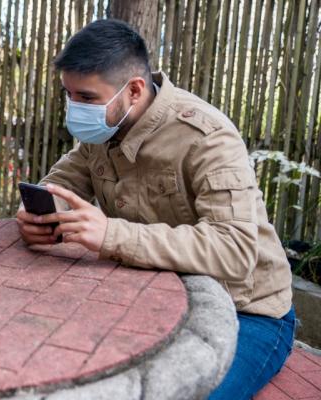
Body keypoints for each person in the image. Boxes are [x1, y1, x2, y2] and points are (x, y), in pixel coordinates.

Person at [16, 19, 294, 400]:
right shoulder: (104, 128)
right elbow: (61, 184)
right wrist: (40, 215)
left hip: (247, 310)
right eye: (69, 95)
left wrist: (112, 235)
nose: (75, 108)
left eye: (86, 97)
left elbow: (235, 249)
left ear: (134, 90)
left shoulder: (208, 138)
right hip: (154, 294)